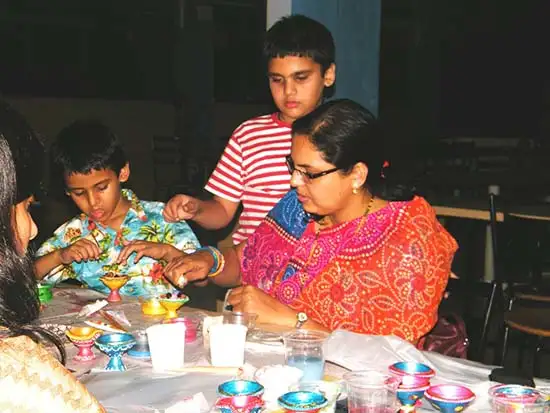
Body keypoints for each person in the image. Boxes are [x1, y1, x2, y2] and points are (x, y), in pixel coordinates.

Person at [164, 99, 458, 343]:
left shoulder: (407, 237)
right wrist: (209, 260)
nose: (294, 181)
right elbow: (245, 261)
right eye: (293, 166)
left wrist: (293, 320)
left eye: (309, 172)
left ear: (357, 174)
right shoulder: (298, 207)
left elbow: (390, 355)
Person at [163, 14, 336, 245]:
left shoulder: (344, 134)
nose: (288, 91)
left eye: (301, 78)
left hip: (319, 267)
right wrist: (197, 209)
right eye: (277, 79)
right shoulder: (248, 136)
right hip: (252, 267)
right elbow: (223, 211)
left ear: (328, 75)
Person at [0, 101, 104, 412]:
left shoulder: (156, 222)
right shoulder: (21, 379)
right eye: (25, 207)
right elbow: (32, 273)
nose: (32, 229)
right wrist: (61, 256)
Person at [34, 120, 200, 297]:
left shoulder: (163, 218)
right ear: (67, 192)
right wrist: (60, 256)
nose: (93, 201)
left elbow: (202, 279)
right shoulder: (73, 233)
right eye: (79, 193)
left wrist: (166, 251)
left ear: (123, 173)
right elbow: (24, 278)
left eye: (102, 188)